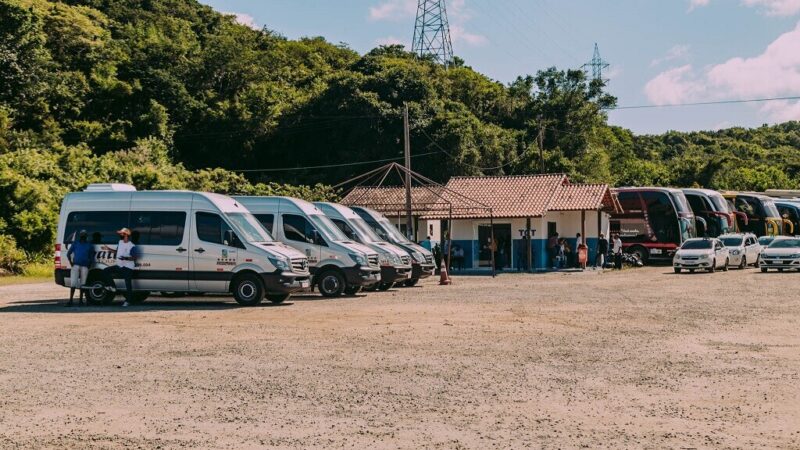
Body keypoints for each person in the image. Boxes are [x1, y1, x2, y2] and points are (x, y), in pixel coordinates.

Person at [102, 228, 137, 307]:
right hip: (120, 266)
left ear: (126, 235)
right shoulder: (120, 242)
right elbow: (117, 252)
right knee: (105, 271)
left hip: (128, 267)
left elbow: (135, 257)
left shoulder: (131, 245)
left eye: (121, 233)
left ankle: (128, 301)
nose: (119, 235)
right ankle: (112, 286)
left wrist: (126, 258)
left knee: (128, 284)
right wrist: (108, 249)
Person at [66, 230, 94, 306]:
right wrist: (71, 263)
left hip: (85, 266)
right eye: (82, 235)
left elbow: (92, 257)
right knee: (73, 283)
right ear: (80, 236)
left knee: (83, 284)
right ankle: (70, 300)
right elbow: (68, 254)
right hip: (76, 265)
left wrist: (89, 265)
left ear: (86, 237)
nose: (83, 237)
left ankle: (81, 301)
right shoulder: (75, 244)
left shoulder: (89, 245)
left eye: (84, 235)